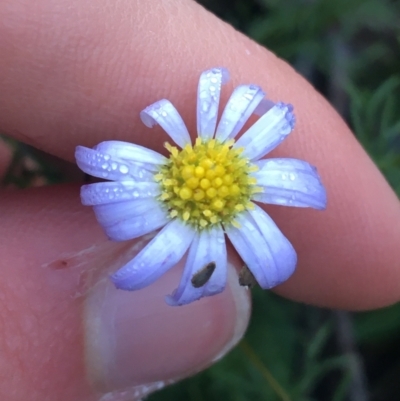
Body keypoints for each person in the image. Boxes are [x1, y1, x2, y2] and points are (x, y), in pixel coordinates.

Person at [0, 1, 399, 400]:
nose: (211, 179)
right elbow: (102, 189)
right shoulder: (181, 171)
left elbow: (276, 249)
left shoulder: (244, 175)